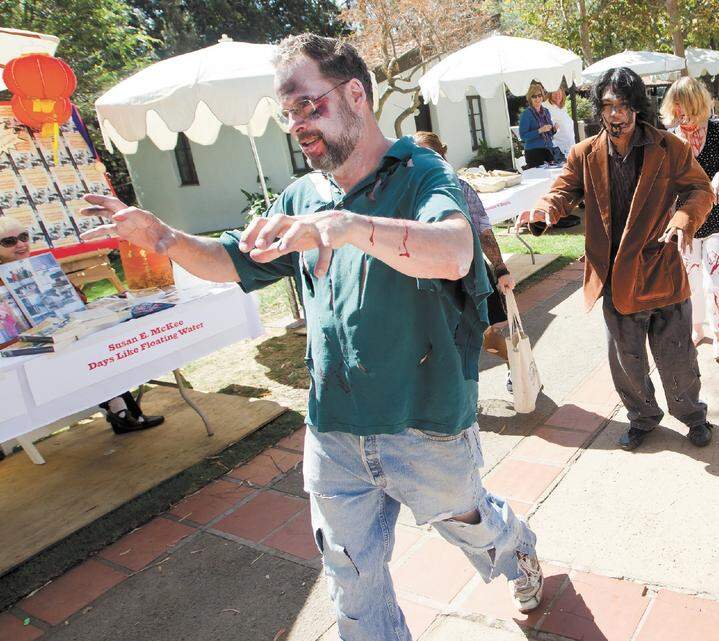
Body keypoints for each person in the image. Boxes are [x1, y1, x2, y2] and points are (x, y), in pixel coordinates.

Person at [79, 34, 544, 639]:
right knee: (350, 579)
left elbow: (456, 252)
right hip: (333, 429)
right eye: (288, 112)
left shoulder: (422, 174)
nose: (297, 124)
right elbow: (234, 260)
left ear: (356, 94)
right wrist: (164, 238)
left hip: (423, 425)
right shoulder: (303, 195)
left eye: (307, 105)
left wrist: (347, 226)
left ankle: (517, 549)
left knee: (473, 525)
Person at [514, 67, 716, 452]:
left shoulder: (668, 148)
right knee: (626, 361)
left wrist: (682, 220)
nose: (615, 114)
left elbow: (699, 189)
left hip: (661, 269)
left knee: (677, 357)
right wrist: (544, 211)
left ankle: (692, 415)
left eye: (623, 105)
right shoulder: (584, 154)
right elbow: (561, 192)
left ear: (636, 108)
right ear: (600, 110)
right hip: (615, 279)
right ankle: (642, 418)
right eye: (608, 106)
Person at [0, 216, 165, 435]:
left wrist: (69, 296)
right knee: (85, 352)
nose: (20, 244)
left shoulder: (41, 267)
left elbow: (76, 301)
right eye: (9, 242)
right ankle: (122, 411)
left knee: (96, 346)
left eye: (23, 237)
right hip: (26, 352)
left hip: (62, 337)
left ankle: (122, 411)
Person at [411, 132, 515, 370]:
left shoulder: (460, 188)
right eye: (415, 157)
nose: (420, 162)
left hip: (469, 274)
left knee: (486, 335)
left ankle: (516, 366)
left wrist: (501, 269)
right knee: (437, 341)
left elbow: (484, 233)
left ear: (441, 155)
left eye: (428, 155)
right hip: (430, 279)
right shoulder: (410, 191)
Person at [661, 77, 719, 362]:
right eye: (676, 108)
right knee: (691, 281)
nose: (680, 114)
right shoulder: (672, 139)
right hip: (687, 221)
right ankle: (697, 329)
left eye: (684, 107)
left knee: (713, 281)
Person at [518, 82, 561, 168]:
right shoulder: (526, 114)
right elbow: (523, 136)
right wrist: (539, 130)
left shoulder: (546, 111)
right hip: (534, 152)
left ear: (542, 96)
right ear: (530, 98)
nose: (537, 98)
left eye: (539, 95)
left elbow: (549, 133)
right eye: (534, 96)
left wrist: (554, 129)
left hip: (549, 150)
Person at [544, 87, 577, 158]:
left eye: (559, 93)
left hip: (570, 147)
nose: (557, 95)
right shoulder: (545, 107)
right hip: (558, 151)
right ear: (550, 94)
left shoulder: (562, 107)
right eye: (555, 93)